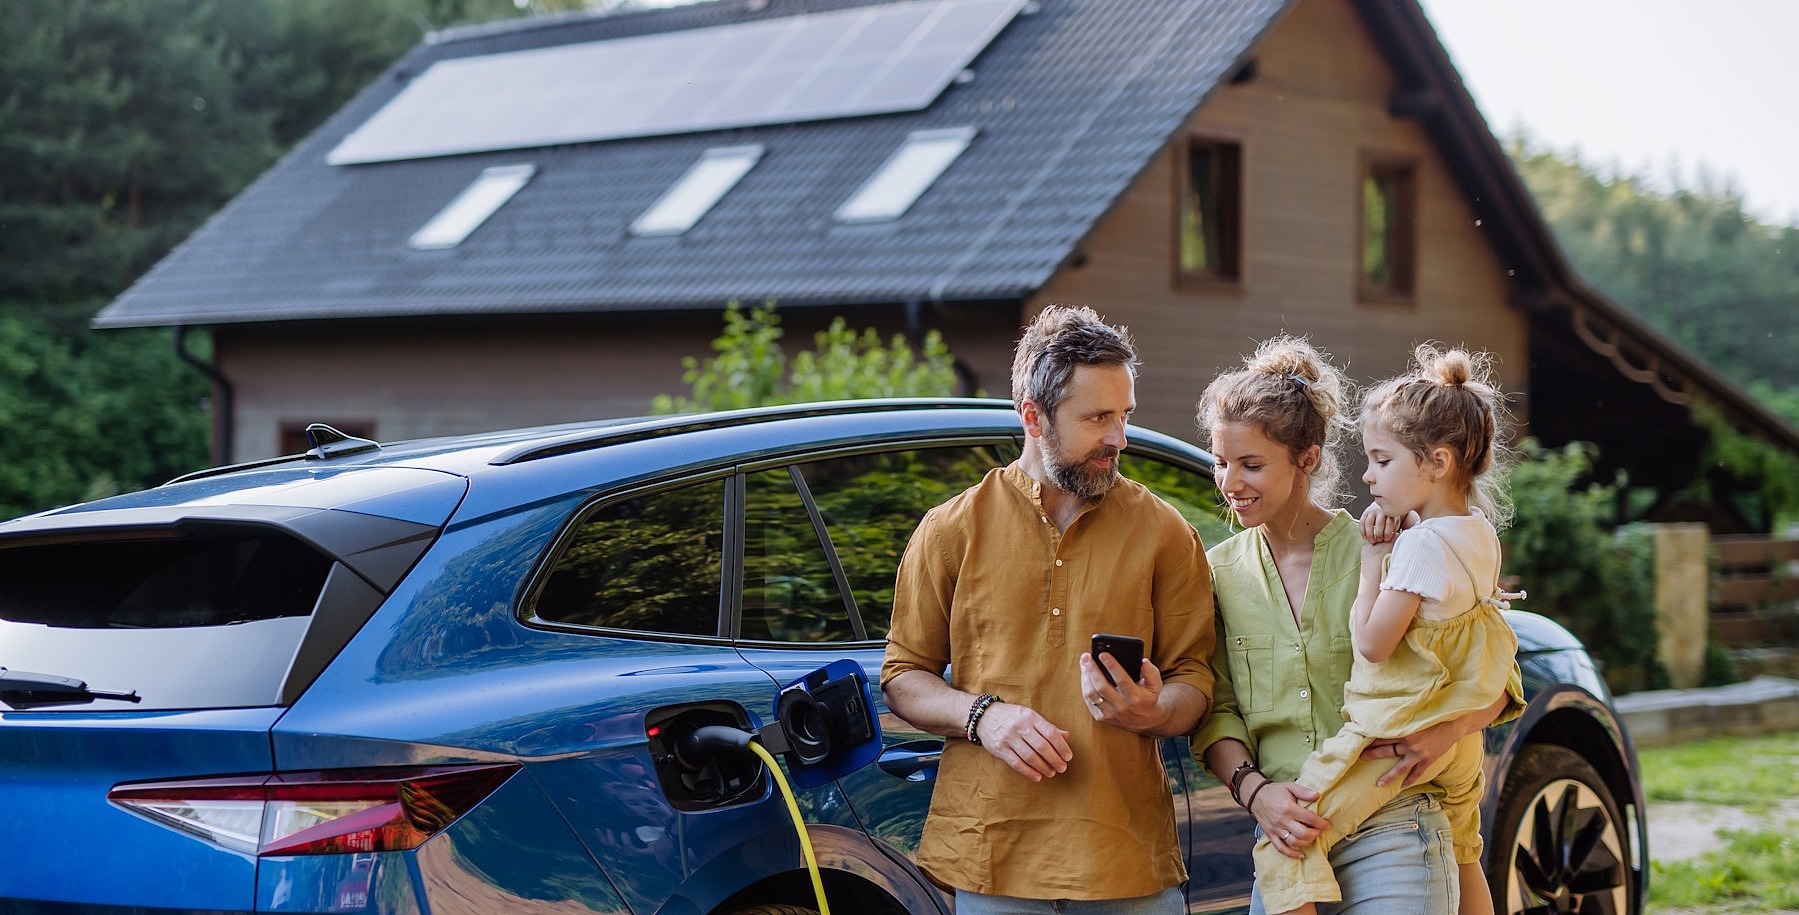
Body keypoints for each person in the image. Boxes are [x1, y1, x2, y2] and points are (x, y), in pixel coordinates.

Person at [882, 304, 1216, 915]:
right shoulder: (951, 529)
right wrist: (983, 716)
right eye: (1097, 418)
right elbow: (903, 677)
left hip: (1126, 858)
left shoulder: (1166, 533)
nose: (1118, 438)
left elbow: (1194, 681)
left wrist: (1153, 709)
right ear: (1033, 417)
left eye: (1124, 415)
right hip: (991, 854)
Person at [1191, 336, 1522, 915]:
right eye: (1221, 462)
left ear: (1307, 459)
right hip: (1288, 835)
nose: (1229, 482)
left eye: (1250, 465)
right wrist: (1256, 792)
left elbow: (1489, 671)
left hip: (1393, 819)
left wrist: (1446, 732)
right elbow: (1216, 709)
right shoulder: (1217, 573)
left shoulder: (1395, 545)